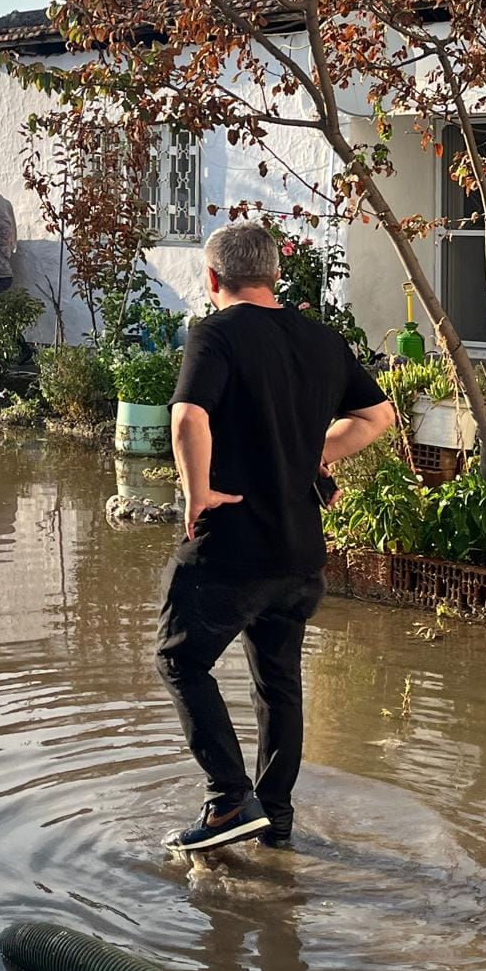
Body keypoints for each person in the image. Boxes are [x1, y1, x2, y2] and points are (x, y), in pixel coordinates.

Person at [156, 223, 393, 853]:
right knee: (278, 681)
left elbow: (187, 414)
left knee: (179, 659)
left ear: (212, 280)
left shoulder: (216, 333)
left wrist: (196, 490)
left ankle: (229, 800)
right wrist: (315, 454)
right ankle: (275, 819)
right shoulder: (321, 339)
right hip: (300, 555)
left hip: (233, 547)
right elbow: (377, 417)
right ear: (275, 275)